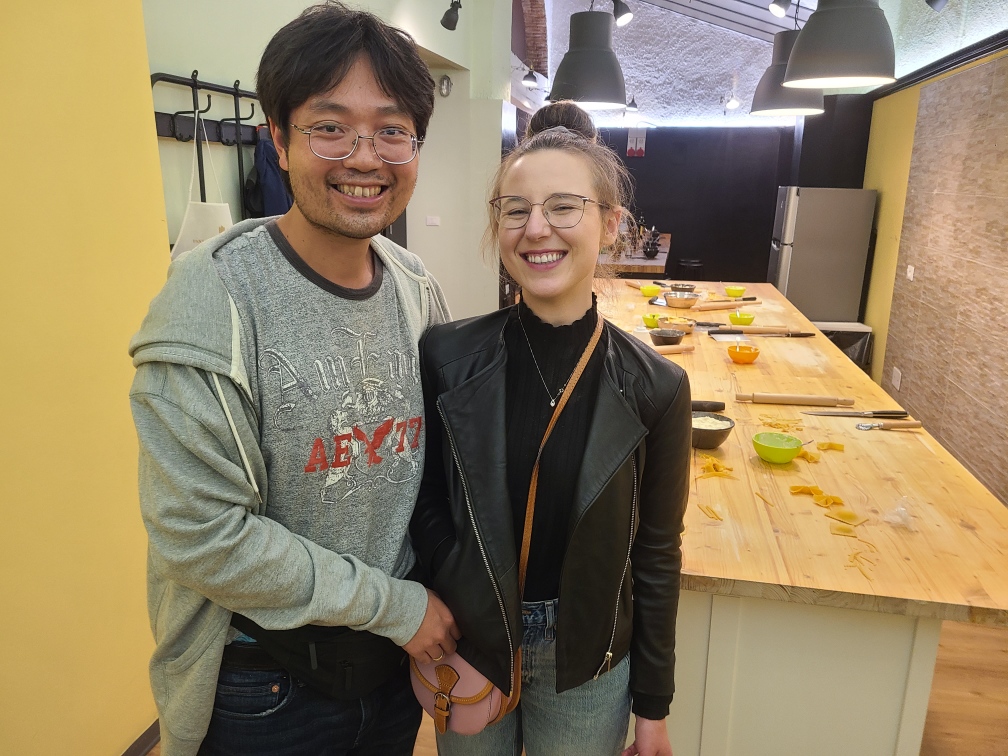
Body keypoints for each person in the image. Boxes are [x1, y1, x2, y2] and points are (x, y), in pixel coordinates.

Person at [128, 5, 459, 755]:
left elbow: (439, 471)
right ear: (277, 138)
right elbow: (200, 536)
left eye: (392, 129)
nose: (365, 157)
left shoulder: (415, 285)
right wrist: (397, 606)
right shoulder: (213, 300)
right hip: (262, 685)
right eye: (331, 126)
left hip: (389, 667)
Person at [410, 104, 691, 756]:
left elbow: (654, 556)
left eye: (564, 207)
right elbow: (424, 502)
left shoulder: (655, 386)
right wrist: (457, 593)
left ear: (610, 223)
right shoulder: (448, 357)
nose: (536, 229)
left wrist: (653, 706)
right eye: (515, 210)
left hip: (587, 658)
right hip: (472, 638)